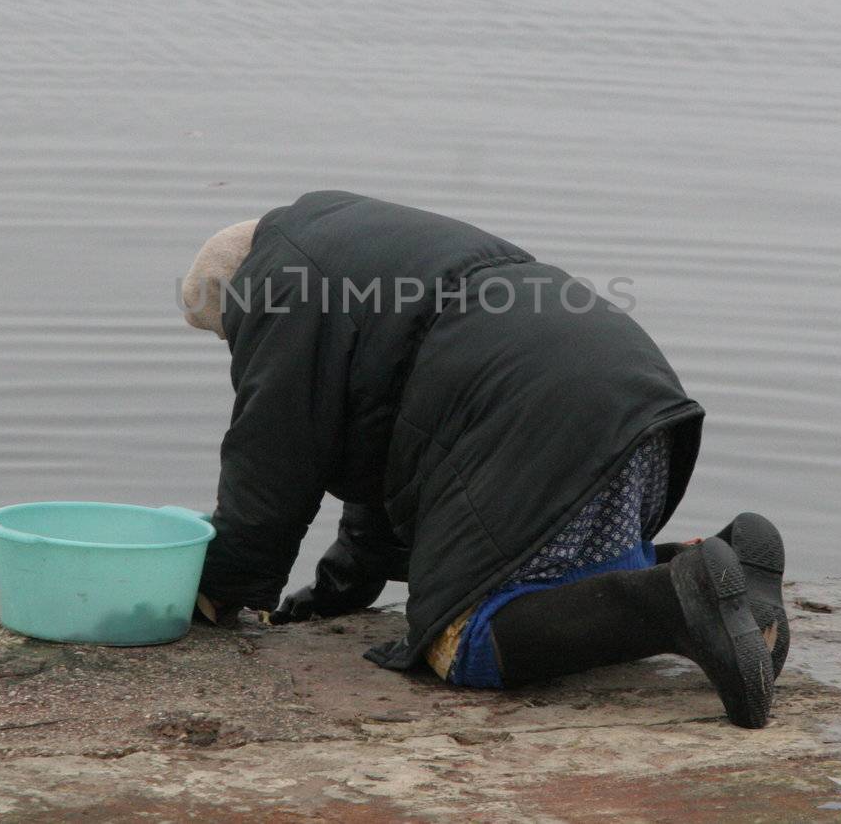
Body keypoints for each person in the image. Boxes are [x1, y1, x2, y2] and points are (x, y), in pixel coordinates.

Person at [178, 190, 786, 728]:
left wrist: (219, 588)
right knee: (571, 582)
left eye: (232, 332)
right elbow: (384, 472)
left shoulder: (283, 286)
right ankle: (723, 569)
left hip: (530, 408)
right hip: (628, 387)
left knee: (460, 642)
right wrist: (334, 595)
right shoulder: (355, 247)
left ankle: (677, 600)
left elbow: (272, 463)